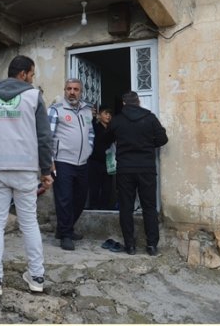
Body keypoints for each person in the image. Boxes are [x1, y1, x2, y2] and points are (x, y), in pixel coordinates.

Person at [0, 55, 53, 296]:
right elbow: (44, 137)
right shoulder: (34, 96)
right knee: (29, 222)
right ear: (24, 73)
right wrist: (45, 171)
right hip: (25, 168)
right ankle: (36, 277)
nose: (32, 79)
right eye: (32, 75)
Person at [97, 92, 168, 255]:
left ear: (123, 103)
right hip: (146, 168)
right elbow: (163, 139)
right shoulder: (150, 118)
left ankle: (130, 246)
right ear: (138, 102)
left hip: (125, 169)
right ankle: (151, 246)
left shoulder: (117, 120)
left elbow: (105, 139)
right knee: (149, 207)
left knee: (126, 208)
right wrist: (148, 144)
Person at [47, 78, 93, 250]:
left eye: (76, 89)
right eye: (69, 89)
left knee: (80, 199)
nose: (72, 92)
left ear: (81, 92)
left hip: (82, 162)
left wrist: (89, 149)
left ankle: (63, 228)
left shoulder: (87, 110)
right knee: (64, 199)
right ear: (64, 90)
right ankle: (66, 234)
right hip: (62, 162)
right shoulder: (55, 110)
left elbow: (90, 133)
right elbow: (47, 138)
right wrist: (50, 162)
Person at [87, 106, 115, 210]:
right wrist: (93, 117)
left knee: (107, 187)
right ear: (100, 115)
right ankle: (94, 207)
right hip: (94, 161)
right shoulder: (95, 126)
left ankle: (105, 207)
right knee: (94, 186)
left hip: (108, 162)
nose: (108, 116)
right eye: (106, 113)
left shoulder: (112, 128)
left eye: (110, 114)